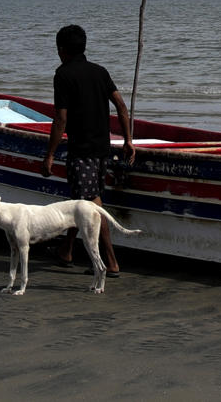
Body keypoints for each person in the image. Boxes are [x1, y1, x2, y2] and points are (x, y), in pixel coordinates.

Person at [39, 24, 137, 274]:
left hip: (81, 151)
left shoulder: (63, 75)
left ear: (62, 50)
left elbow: (60, 119)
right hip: (103, 149)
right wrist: (128, 140)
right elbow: (121, 107)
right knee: (80, 202)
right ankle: (67, 250)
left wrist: (49, 155)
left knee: (90, 204)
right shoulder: (100, 72)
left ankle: (112, 263)